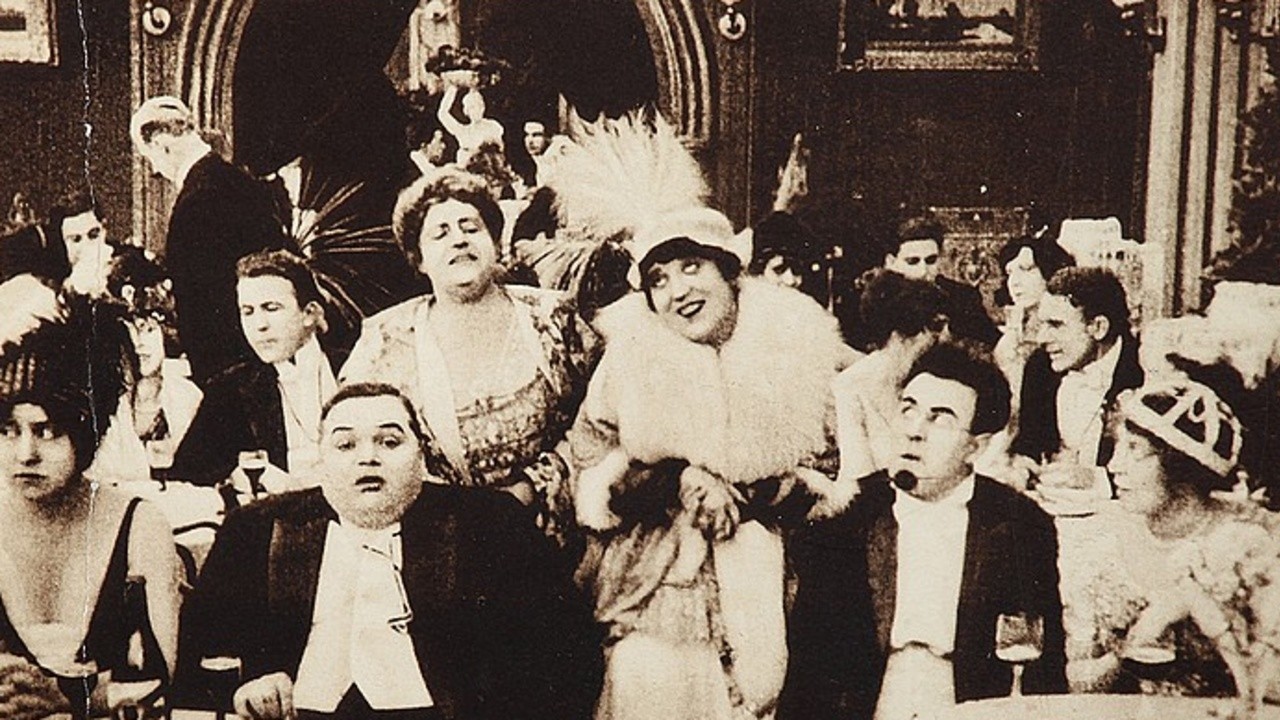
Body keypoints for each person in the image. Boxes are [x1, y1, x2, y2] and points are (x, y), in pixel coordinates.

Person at [564, 114, 850, 720]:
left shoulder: (794, 343)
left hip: (770, 580)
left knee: (759, 694)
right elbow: (587, 464)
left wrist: (757, 490)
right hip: (655, 585)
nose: (677, 292)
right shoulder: (631, 357)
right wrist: (676, 478)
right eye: (658, 281)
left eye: (691, 267)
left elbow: (831, 471)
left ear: (728, 269)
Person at [180, 382, 601, 720]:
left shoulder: (490, 524)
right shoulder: (255, 529)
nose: (368, 457)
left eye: (389, 441)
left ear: (421, 456)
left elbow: (564, 657)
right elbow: (202, 656)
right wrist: (246, 687)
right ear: (320, 461)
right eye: (346, 445)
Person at [782, 342, 1068, 720]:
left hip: (969, 708)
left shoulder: (1020, 524)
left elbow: (1043, 667)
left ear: (976, 447)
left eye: (941, 419)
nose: (915, 431)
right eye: (908, 410)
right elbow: (807, 678)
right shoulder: (847, 517)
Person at [340, 168, 592, 536]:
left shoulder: (554, 317)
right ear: (419, 258)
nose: (459, 240)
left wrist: (530, 488)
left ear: (495, 243)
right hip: (444, 540)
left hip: (560, 534)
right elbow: (357, 448)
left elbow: (602, 417)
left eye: (471, 227)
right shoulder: (384, 342)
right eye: (440, 233)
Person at [0, 302, 180, 720]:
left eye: (47, 431)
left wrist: (66, 699)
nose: (25, 454)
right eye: (7, 432)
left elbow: (158, 680)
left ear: (85, 435)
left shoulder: (139, 526)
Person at [1078, 378, 1279, 705]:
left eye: (1134, 450)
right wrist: (1131, 646)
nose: (1114, 466)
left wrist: (1198, 605)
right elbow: (1076, 681)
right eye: (1117, 447)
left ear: (1181, 465)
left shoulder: (1248, 543)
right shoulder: (1107, 537)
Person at [130, 95, 288, 385]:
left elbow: (202, 309)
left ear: (161, 145)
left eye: (149, 159)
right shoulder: (243, 182)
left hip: (230, 371)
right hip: (270, 352)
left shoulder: (195, 202)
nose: (156, 170)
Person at [173, 249, 340, 490]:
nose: (259, 325)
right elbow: (186, 478)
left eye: (271, 308)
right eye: (248, 312)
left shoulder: (357, 366)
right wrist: (234, 477)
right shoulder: (231, 389)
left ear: (309, 314)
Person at [1011, 266, 1143, 497]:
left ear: (1099, 327)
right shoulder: (1040, 365)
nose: (1042, 338)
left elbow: (1162, 471)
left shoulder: (1143, 369)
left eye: (1056, 325)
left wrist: (1096, 479)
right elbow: (1029, 444)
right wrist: (1023, 468)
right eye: (1042, 325)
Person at [86, 247, 203, 484]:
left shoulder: (188, 398)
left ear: (166, 334)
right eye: (129, 332)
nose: (138, 344)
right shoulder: (109, 404)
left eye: (148, 330)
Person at [833, 271, 951, 484]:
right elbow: (857, 472)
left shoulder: (935, 377)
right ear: (900, 336)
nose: (944, 338)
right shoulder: (850, 385)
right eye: (935, 329)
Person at [882, 213, 1000, 348]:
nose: (923, 271)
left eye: (931, 260)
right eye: (912, 261)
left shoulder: (963, 299)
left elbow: (994, 346)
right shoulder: (875, 302)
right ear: (891, 262)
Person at [991, 234, 1075, 415]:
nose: (1015, 281)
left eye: (1026, 269)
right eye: (1010, 272)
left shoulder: (1069, 333)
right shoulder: (1009, 339)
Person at [436, 84, 505, 166]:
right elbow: (442, 114)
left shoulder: (492, 126)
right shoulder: (463, 132)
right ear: (466, 111)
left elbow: (500, 150)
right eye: (471, 107)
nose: (476, 110)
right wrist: (453, 88)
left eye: (478, 105)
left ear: (483, 107)